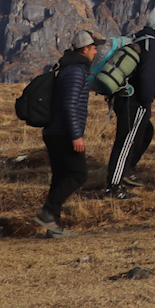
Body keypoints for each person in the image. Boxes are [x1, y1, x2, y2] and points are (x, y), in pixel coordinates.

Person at [103, 5, 155, 200]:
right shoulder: (152, 43)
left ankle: (127, 169)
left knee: (145, 132)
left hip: (121, 98)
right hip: (135, 102)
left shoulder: (137, 37)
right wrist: (147, 100)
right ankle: (114, 186)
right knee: (125, 141)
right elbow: (147, 77)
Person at [37, 30, 102, 238]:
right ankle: (48, 211)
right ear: (84, 49)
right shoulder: (75, 71)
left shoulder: (69, 68)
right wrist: (76, 135)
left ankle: (53, 227)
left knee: (60, 177)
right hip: (64, 133)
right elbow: (70, 104)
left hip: (54, 131)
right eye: (93, 47)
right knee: (78, 174)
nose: (95, 51)